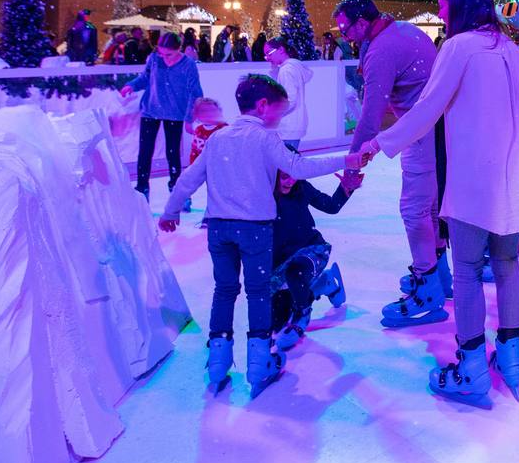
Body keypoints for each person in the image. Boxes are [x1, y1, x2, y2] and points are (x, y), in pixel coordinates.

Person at [357, 0, 519, 405]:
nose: (441, 14)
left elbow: (428, 108)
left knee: (466, 270)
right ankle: (511, 357)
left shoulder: (458, 47)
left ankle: (472, 368)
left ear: (458, 5)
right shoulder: (511, 48)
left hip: (473, 182)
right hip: (512, 182)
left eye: (443, 5)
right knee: (507, 264)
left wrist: (380, 142)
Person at [159, 74, 366, 396]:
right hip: (255, 229)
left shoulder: (218, 139)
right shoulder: (265, 139)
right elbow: (299, 167)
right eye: (280, 113)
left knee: (224, 290)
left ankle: (218, 360)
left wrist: (171, 211)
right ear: (263, 106)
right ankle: (259, 363)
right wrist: (346, 159)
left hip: (219, 229)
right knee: (257, 293)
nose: (280, 121)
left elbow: (189, 179)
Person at [334, 0, 449, 329]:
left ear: (362, 22)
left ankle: (428, 289)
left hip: (419, 132)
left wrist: (352, 163)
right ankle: (439, 276)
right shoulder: (402, 30)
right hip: (438, 128)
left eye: (345, 28)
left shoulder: (381, 50)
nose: (344, 35)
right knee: (429, 208)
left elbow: (370, 117)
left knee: (414, 210)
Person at [270, 168, 361, 351]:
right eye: (285, 177)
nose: (290, 181)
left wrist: (346, 188)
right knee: (276, 322)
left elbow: (331, 206)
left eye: (294, 175)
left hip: (311, 251)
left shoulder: (301, 187)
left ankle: (302, 313)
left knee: (295, 274)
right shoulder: (263, 195)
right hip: (280, 262)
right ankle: (325, 283)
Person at [121, 32, 203, 202]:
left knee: (173, 153)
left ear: (179, 49)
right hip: (151, 110)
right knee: (145, 152)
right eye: (161, 53)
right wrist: (131, 86)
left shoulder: (188, 65)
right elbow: (145, 78)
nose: (164, 58)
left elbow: (195, 92)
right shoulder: (154, 59)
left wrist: (189, 118)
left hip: (175, 113)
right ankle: (142, 188)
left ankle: (177, 189)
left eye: (169, 54)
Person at [263, 36, 311, 152]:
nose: (268, 58)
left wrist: (273, 114)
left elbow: (290, 99)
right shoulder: (291, 68)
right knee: (288, 159)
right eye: (266, 55)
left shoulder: (286, 70)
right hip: (293, 125)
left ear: (281, 50)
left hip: (288, 127)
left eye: (269, 53)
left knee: (287, 161)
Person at [183, 96, 228, 214]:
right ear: (197, 115)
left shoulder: (224, 129)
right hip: (203, 166)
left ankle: (218, 210)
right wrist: (192, 166)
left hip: (220, 167)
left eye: (212, 110)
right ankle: (185, 200)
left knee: (218, 190)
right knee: (188, 182)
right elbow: (195, 149)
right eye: (204, 111)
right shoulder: (198, 130)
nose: (209, 114)